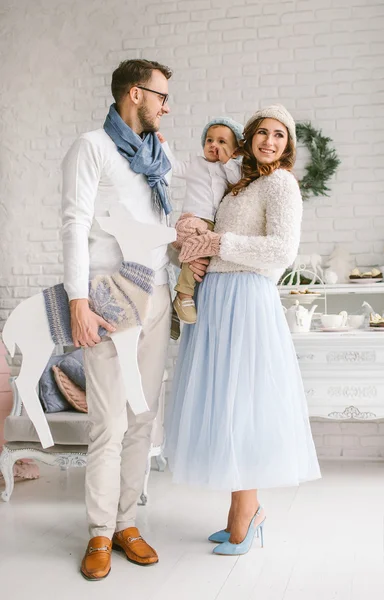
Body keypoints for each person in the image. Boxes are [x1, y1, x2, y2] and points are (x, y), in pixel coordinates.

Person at [61, 58, 207, 581]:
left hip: (157, 295)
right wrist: (78, 300)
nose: (167, 106)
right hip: (106, 299)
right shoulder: (92, 148)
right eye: (161, 96)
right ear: (135, 95)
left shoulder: (158, 153)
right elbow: (75, 225)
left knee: (143, 418)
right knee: (109, 422)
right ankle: (99, 532)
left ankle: (126, 523)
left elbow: (158, 223)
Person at [166, 104, 321, 556]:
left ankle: (246, 513)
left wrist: (217, 243)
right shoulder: (239, 184)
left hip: (248, 302)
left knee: (244, 404)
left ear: (287, 144)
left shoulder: (281, 183)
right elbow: (210, 237)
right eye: (262, 132)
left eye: (279, 135)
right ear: (249, 137)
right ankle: (244, 509)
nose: (270, 141)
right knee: (223, 402)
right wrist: (193, 247)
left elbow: (282, 250)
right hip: (217, 300)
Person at [158, 117, 243, 325]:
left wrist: (227, 161)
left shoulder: (229, 169)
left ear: (234, 151)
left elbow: (237, 179)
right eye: (210, 140)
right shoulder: (196, 164)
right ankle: (183, 295)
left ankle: (176, 314)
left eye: (222, 142)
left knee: (200, 262)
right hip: (192, 219)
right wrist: (163, 146)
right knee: (197, 250)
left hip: (211, 224)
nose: (214, 145)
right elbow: (173, 168)